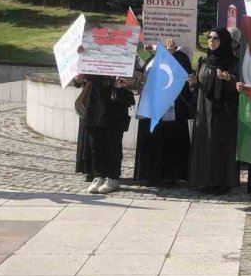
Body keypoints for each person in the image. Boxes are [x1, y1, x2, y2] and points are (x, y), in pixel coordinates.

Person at [133, 40, 194, 187]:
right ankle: (149, 173)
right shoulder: (150, 54)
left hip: (170, 105)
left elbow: (182, 74)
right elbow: (141, 72)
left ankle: (170, 175)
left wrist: (170, 53)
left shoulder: (181, 54)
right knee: (151, 138)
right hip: (151, 103)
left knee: (170, 138)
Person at [188, 28, 240, 193]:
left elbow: (240, 85)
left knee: (220, 144)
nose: (211, 40)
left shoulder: (233, 62)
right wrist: (193, 82)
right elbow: (199, 85)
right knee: (204, 142)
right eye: (209, 37)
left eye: (216, 38)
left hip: (224, 110)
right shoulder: (204, 61)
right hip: (203, 109)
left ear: (224, 41)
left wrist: (228, 79)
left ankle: (221, 181)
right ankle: (203, 179)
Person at [74, 75, 136, 194]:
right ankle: (99, 176)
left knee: (113, 144)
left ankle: (113, 177)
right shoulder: (90, 56)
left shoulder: (128, 56)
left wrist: (130, 80)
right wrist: (78, 79)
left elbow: (137, 78)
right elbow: (79, 80)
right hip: (95, 102)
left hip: (116, 102)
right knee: (95, 144)